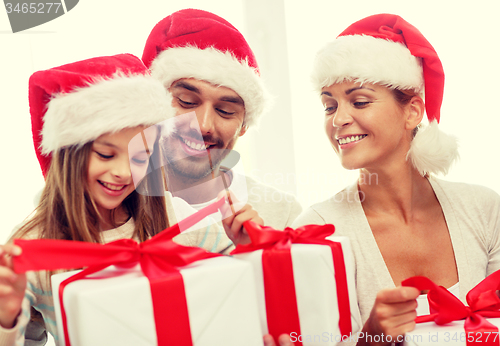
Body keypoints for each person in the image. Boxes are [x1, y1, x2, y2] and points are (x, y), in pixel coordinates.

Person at [291, 13, 500, 346]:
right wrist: (371, 339)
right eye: (329, 106)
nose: (339, 119)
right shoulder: (317, 231)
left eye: (359, 101)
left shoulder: (484, 208)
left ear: (412, 111)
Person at [0, 53, 179, 345]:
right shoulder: (33, 247)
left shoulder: (170, 215)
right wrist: (6, 318)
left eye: (140, 157)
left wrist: (248, 247)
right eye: (106, 154)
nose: (122, 172)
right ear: (70, 156)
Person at [142, 8, 303, 253]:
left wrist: (259, 257)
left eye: (226, 111)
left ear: (244, 126)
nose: (204, 125)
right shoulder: (113, 207)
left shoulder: (283, 215)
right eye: (186, 101)